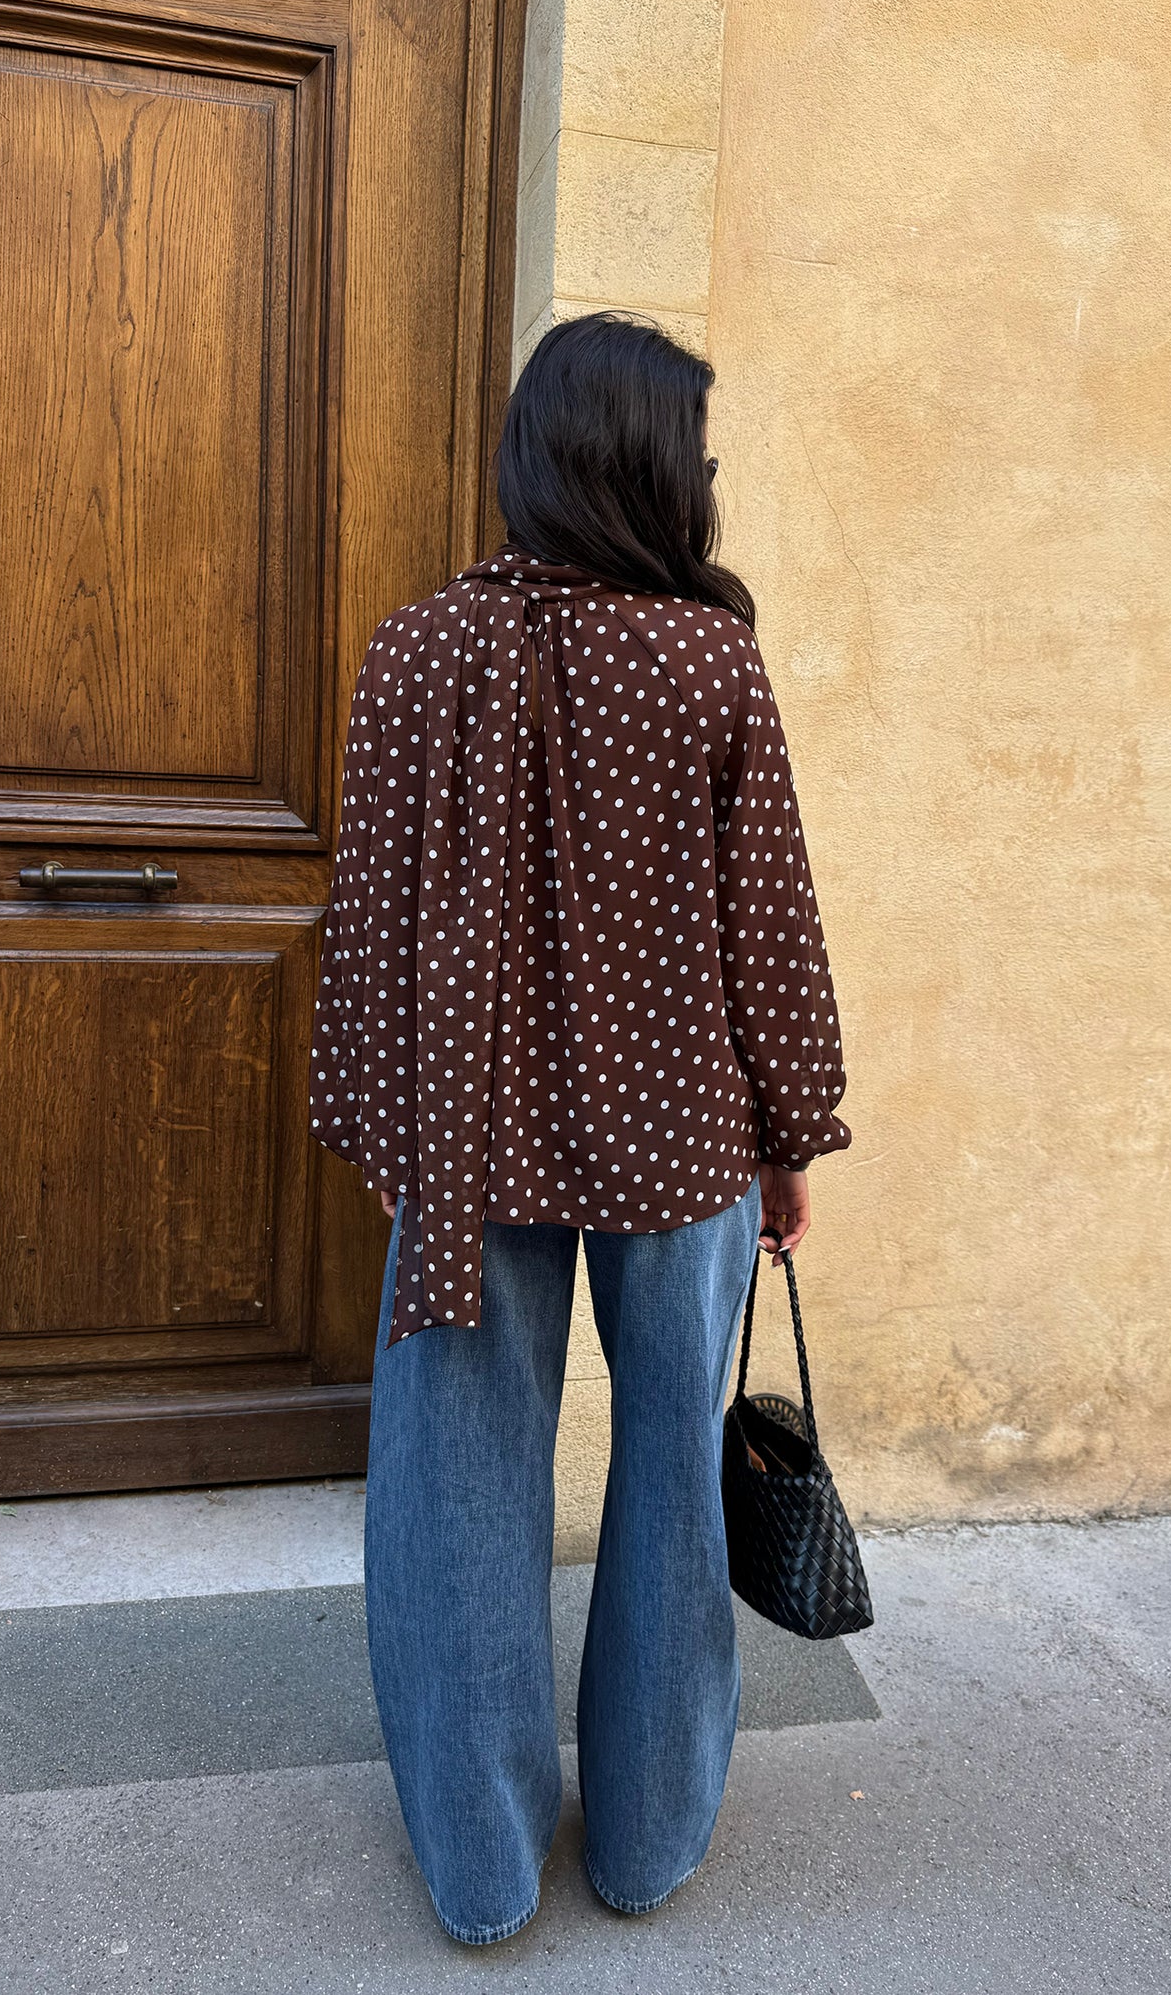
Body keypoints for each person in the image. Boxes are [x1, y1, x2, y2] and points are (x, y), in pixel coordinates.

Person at [308, 310, 850, 1944]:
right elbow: (768, 926)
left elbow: (371, 919)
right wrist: (790, 1133)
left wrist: (388, 1129)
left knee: (453, 1483)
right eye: (696, 453)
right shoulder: (706, 661)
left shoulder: (415, 649)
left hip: (467, 1140)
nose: (707, 478)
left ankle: (478, 1872)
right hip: (678, 1129)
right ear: (644, 468)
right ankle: (645, 1837)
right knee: (673, 1469)